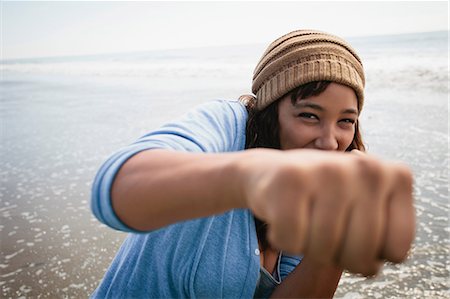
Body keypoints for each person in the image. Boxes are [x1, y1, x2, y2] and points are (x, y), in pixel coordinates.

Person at [90, 29, 415, 298]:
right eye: (309, 115)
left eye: (346, 121)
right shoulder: (227, 124)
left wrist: (334, 243)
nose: (330, 142)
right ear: (271, 112)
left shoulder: (324, 188)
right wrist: (251, 178)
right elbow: (113, 192)